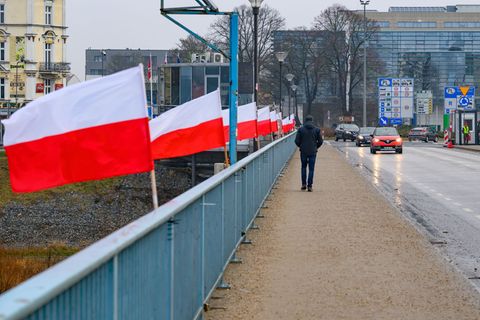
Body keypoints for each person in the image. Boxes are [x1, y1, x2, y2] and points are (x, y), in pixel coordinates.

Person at [295, 115, 323, 192]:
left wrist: (301, 146)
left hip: (303, 151)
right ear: (312, 120)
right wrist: (316, 147)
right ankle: (309, 186)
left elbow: (296, 141)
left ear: (305, 120)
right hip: (313, 151)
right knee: (311, 169)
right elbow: (320, 141)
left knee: (303, 167)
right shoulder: (317, 130)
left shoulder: (301, 129)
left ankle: (303, 184)